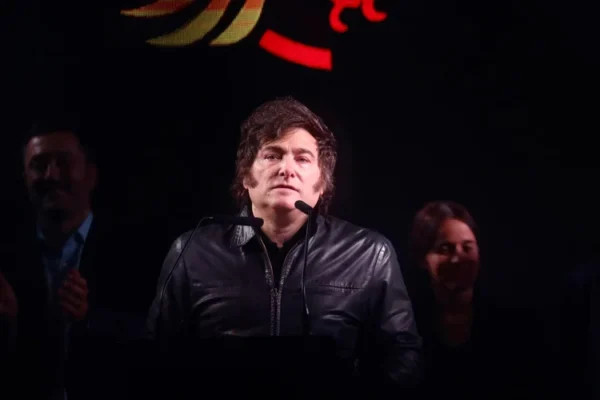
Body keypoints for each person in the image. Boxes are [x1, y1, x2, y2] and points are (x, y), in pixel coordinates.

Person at [146, 97, 422, 395]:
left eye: (302, 158)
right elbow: (155, 358)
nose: (286, 169)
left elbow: (403, 358)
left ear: (323, 183)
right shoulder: (192, 251)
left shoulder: (369, 254)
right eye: (272, 155)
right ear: (246, 176)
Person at [3, 120, 156, 399]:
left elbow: (156, 338)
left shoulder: (132, 252)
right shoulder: (7, 257)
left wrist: (90, 319)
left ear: (91, 175)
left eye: (63, 162)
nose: (51, 175)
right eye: (38, 165)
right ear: (24, 178)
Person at [405, 201, 543, 398]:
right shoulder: (405, 325)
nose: (458, 258)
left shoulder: (512, 323)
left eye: (467, 248)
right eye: (445, 249)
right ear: (422, 259)